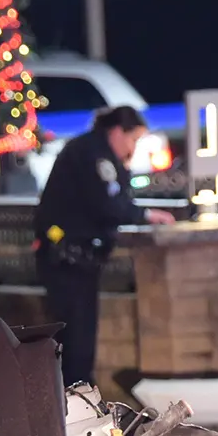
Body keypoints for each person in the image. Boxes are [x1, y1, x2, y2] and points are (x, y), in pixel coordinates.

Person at [32, 106, 177, 387]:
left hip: (77, 262)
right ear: (117, 131)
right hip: (68, 261)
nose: (133, 148)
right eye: (133, 140)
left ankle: (75, 399)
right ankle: (73, 402)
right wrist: (145, 215)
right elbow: (107, 203)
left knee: (79, 339)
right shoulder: (92, 155)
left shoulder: (93, 151)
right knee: (76, 342)